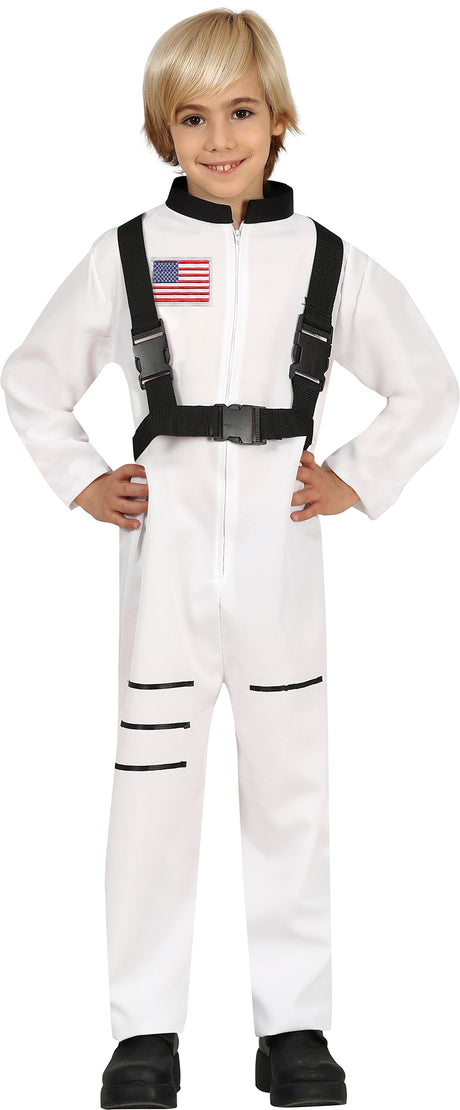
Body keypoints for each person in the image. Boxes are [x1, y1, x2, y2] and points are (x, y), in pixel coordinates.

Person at [1, 8, 458, 1109]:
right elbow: (31, 378)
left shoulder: (328, 262)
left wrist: (356, 475)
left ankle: (293, 1024)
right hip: (163, 568)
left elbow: (428, 384)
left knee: (291, 792)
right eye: (193, 118)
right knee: (152, 796)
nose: (219, 139)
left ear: (278, 119)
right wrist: (80, 479)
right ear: (164, 130)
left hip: (279, 567)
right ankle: (144, 1032)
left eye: (241, 113)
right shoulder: (129, 256)